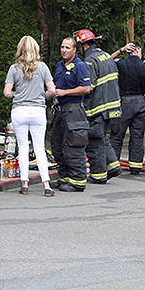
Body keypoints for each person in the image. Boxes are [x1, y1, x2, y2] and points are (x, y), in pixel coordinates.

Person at [4, 36, 57, 196]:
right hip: (38, 111)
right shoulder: (43, 67)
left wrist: (17, 94)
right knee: (40, 148)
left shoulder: (14, 68)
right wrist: (42, 95)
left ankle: (24, 183)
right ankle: (46, 185)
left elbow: (6, 93)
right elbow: (52, 90)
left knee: (23, 147)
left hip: (19, 111)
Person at [49, 35, 93, 192]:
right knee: (57, 144)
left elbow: (86, 88)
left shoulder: (80, 66)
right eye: (62, 47)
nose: (64, 50)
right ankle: (64, 177)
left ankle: (78, 180)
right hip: (60, 111)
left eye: (67, 47)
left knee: (73, 146)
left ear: (75, 50)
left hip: (74, 111)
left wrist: (64, 92)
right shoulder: (60, 65)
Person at [77, 28, 121, 184]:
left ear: (83, 45)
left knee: (94, 140)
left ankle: (98, 175)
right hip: (112, 107)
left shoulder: (89, 61)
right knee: (102, 137)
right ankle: (113, 165)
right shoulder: (106, 56)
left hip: (98, 107)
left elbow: (89, 87)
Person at [111, 42, 145, 174]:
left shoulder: (121, 63)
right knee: (137, 136)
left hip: (123, 102)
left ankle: (113, 165)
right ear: (138, 51)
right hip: (139, 102)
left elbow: (107, 60)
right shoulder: (144, 67)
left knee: (117, 135)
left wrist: (121, 50)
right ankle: (136, 167)